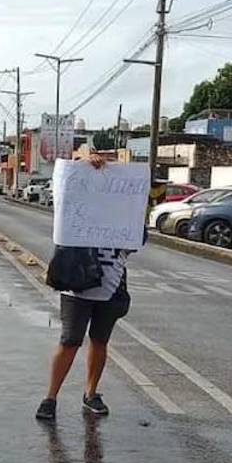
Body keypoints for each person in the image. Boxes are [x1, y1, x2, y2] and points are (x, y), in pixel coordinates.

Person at [35, 154, 133, 422]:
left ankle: (91, 393)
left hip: (110, 286)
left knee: (100, 341)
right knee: (70, 341)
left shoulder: (127, 211)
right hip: (76, 286)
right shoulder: (77, 207)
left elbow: (136, 240)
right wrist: (83, 162)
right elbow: (67, 184)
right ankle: (50, 397)